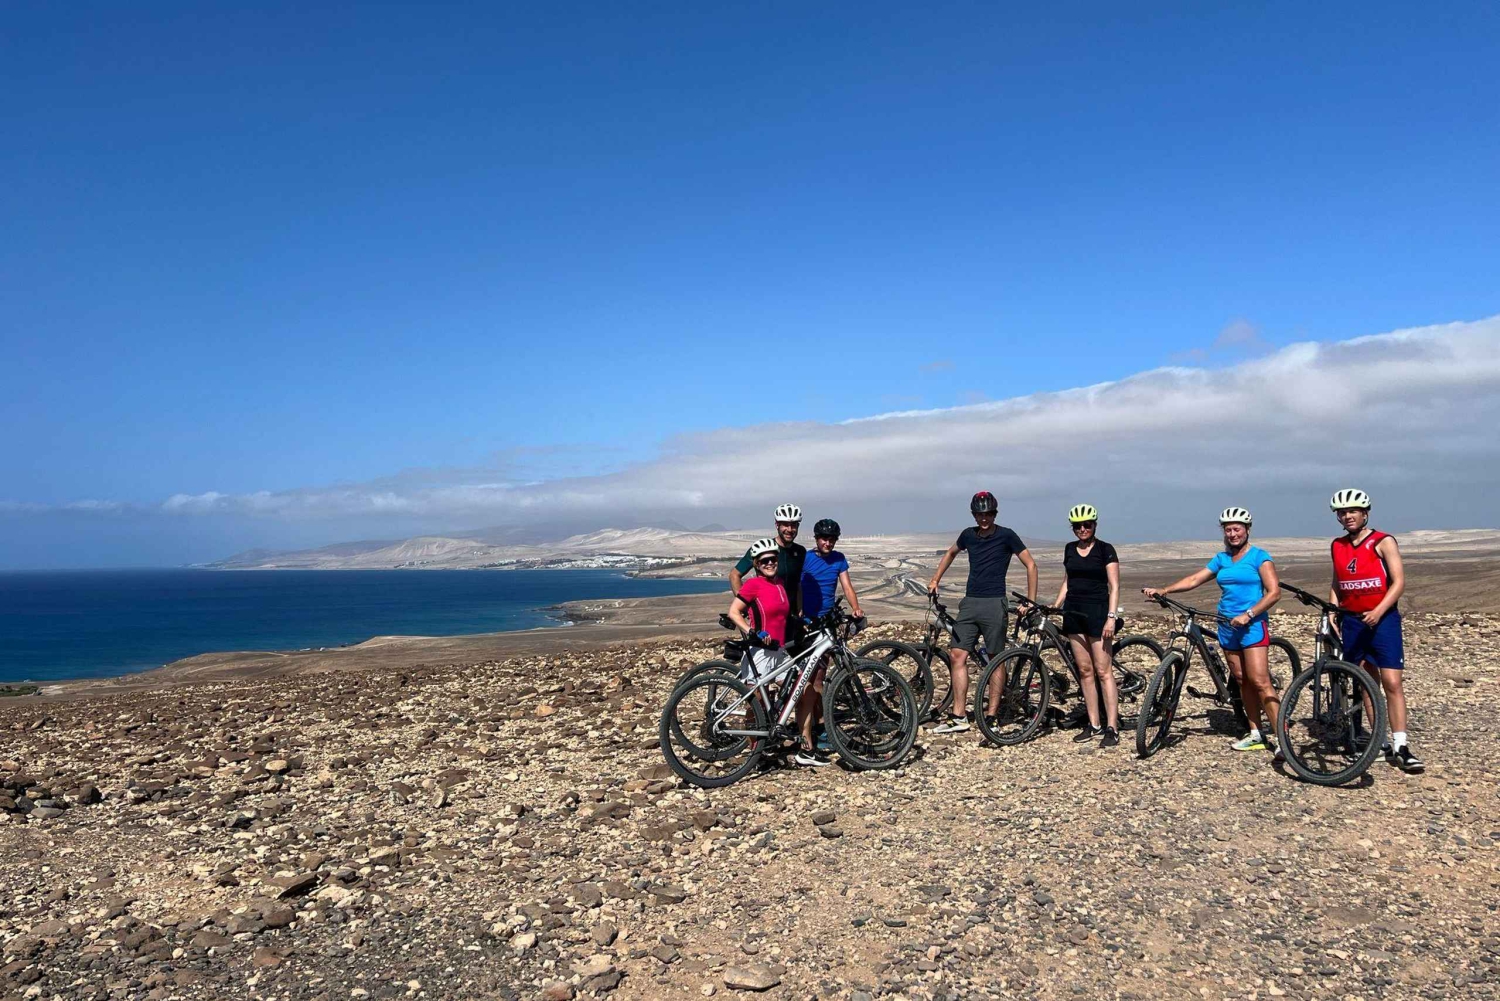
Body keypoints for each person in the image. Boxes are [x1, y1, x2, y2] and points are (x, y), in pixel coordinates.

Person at [1143, 506, 1282, 755]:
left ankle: (1284, 739)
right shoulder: (1222, 559)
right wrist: (1165, 590)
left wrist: (1248, 614)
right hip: (1227, 625)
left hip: (1252, 625)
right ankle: (1256, 733)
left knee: (1260, 681)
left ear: (1247, 530)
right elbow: (1195, 579)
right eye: (1228, 530)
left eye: (1237, 529)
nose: (1232, 534)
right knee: (1241, 680)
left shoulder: (1260, 557)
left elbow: (1274, 593)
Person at [927, 491, 1038, 734]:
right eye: (979, 514)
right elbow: (950, 553)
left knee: (994, 658)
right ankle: (958, 716)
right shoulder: (968, 535)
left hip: (994, 603)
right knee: (957, 655)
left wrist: (1030, 600)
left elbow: (1031, 564)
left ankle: (992, 715)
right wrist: (935, 579)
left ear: (994, 514)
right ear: (974, 515)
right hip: (970, 603)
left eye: (988, 514)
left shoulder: (1007, 535)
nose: (983, 518)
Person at [1328, 488, 1422, 773]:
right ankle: (1379, 741)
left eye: (1353, 511)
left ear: (1365, 513)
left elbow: (1398, 582)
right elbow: (1338, 581)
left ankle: (1401, 745)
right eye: (1343, 513)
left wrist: (1379, 611)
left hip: (1383, 621)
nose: (1348, 516)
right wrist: (1334, 609)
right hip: (1353, 621)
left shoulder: (1383, 541)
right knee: (1366, 681)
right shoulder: (1337, 545)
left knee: (1392, 682)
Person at [728, 537, 827, 767]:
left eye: (773, 559)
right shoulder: (753, 585)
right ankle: (756, 754)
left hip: (779, 651)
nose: (770, 563)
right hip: (761, 652)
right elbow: (734, 612)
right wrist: (752, 632)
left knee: (806, 692)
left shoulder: (780, 583)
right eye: (764, 561)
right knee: (757, 703)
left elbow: (785, 612)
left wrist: (802, 620)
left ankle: (806, 749)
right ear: (756, 564)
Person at [1053, 504, 1122, 748]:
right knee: (1084, 671)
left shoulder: (1105, 550)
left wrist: (1111, 617)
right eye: (1077, 526)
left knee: (1103, 671)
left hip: (1098, 612)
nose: (1082, 529)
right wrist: (1055, 605)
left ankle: (1112, 726)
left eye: (1087, 525)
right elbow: (1068, 581)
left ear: (1094, 525)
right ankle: (1093, 724)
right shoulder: (1069, 549)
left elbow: (1114, 586)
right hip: (1073, 613)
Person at [730, 503, 806, 619]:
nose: (790, 529)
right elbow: (734, 575)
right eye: (785, 525)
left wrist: (800, 608)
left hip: (791, 615)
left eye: (794, 525)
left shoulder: (800, 551)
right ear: (777, 525)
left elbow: (797, 583)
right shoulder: (763, 548)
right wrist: (746, 606)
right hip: (767, 615)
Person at [800, 518, 865, 621]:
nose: (828, 543)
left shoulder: (839, 559)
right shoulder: (805, 558)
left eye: (832, 540)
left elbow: (847, 587)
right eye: (824, 539)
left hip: (829, 618)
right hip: (806, 618)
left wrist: (855, 608)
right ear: (816, 539)